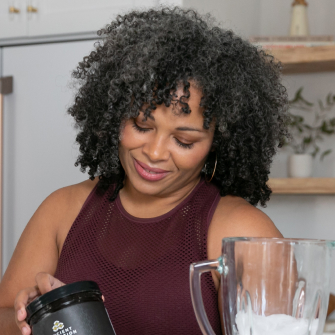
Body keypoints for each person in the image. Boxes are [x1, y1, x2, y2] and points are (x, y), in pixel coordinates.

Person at [0, 7, 288, 335]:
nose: (153, 153)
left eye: (183, 140)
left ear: (216, 143)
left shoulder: (240, 231)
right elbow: (5, 314)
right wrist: (28, 316)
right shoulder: (61, 210)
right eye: (141, 124)